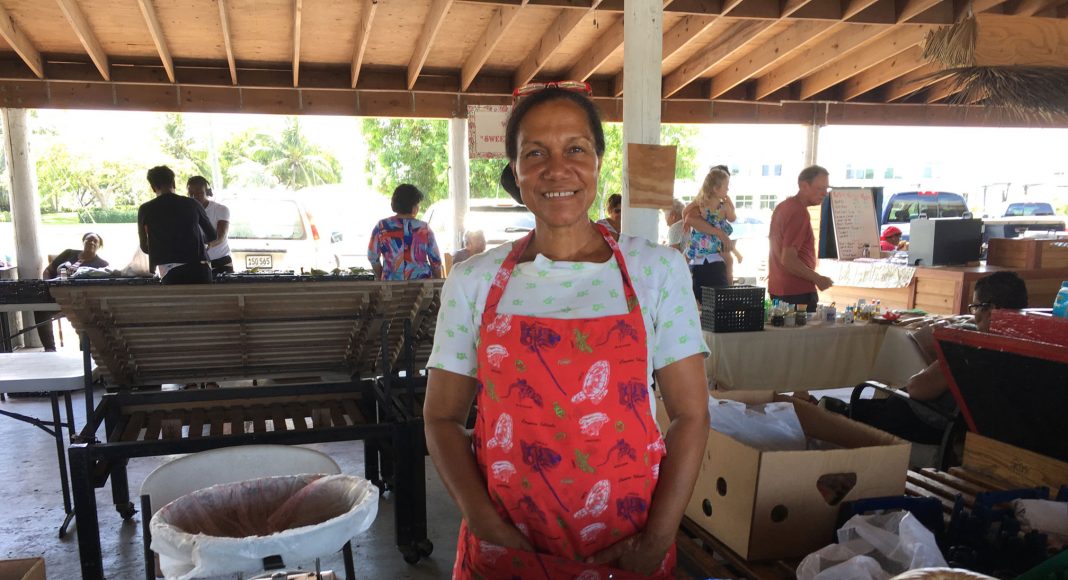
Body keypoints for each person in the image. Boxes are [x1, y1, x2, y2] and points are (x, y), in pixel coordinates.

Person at [423, 84, 710, 579]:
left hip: (628, 547)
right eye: (535, 153)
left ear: (599, 161)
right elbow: (441, 419)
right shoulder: (474, 280)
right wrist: (486, 525)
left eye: (575, 149)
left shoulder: (657, 272)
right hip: (508, 550)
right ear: (515, 170)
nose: (557, 170)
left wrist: (656, 540)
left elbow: (690, 414)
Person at [850, 271, 1028, 444]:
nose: (974, 316)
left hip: (933, 424)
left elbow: (917, 389)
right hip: (974, 429)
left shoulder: (972, 350)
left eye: (975, 307)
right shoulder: (1027, 351)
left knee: (855, 409)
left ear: (990, 310)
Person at [768, 165, 834, 313]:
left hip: (779, 286)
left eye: (826, 188)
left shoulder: (783, 207)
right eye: (820, 188)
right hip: (796, 291)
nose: (824, 193)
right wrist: (817, 278)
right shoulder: (798, 212)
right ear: (803, 186)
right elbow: (789, 259)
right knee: (802, 335)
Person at [137, 165, 217, 284]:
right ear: (173, 183)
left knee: (176, 302)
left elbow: (144, 247)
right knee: (203, 302)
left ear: (153, 187)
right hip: (200, 268)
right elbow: (212, 235)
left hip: (170, 271)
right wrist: (197, 239)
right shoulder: (193, 204)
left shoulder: (146, 209)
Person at [34, 232, 108, 351]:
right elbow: (48, 271)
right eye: (89, 240)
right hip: (56, 296)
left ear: (99, 246)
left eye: (95, 241)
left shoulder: (102, 264)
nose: (91, 242)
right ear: (83, 241)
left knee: (86, 315)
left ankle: (84, 349)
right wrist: (47, 285)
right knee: (40, 310)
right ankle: (49, 348)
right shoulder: (68, 253)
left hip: (80, 300)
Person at [367, 184, 443, 280]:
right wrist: (438, 283)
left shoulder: (382, 226)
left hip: (390, 287)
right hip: (422, 287)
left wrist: (383, 275)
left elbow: (372, 256)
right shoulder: (424, 229)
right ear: (414, 206)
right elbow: (436, 261)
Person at [684, 167, 735, 300]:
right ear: (716, 188)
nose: (728, 189)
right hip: (706, 259)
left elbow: (732, 217)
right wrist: (686, 222)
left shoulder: (717, 205)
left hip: (711, 256)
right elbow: (688, 215)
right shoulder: (700, 204)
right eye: (726, 186)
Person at [187, 176, 233, 275]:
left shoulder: (221, 209)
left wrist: (208, 245)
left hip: (221, 262)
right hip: (198, 263)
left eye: (199, 193)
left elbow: (221, 236)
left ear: (207, 192)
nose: (195, 197)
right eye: (191, 194)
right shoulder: (186, 212)